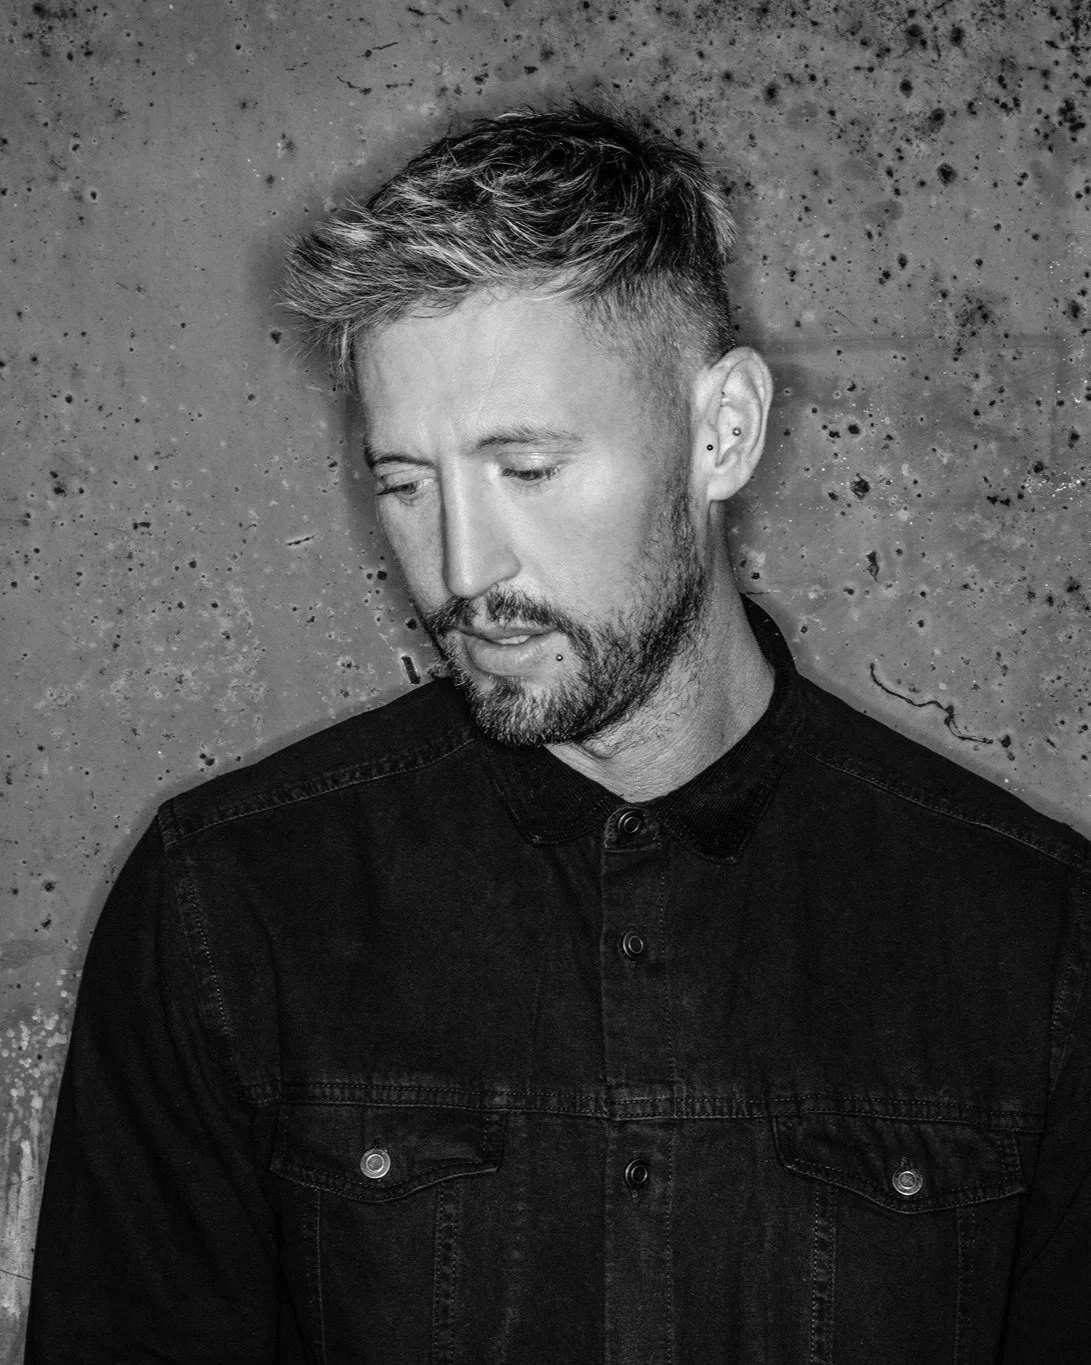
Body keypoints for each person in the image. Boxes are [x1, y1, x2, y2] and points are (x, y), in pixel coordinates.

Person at [27, 103, 1090, 1364]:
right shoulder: (224, 911)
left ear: (721, 432)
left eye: (522, 469)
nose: (461, 570)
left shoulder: (1033, 943)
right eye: (405, 484)